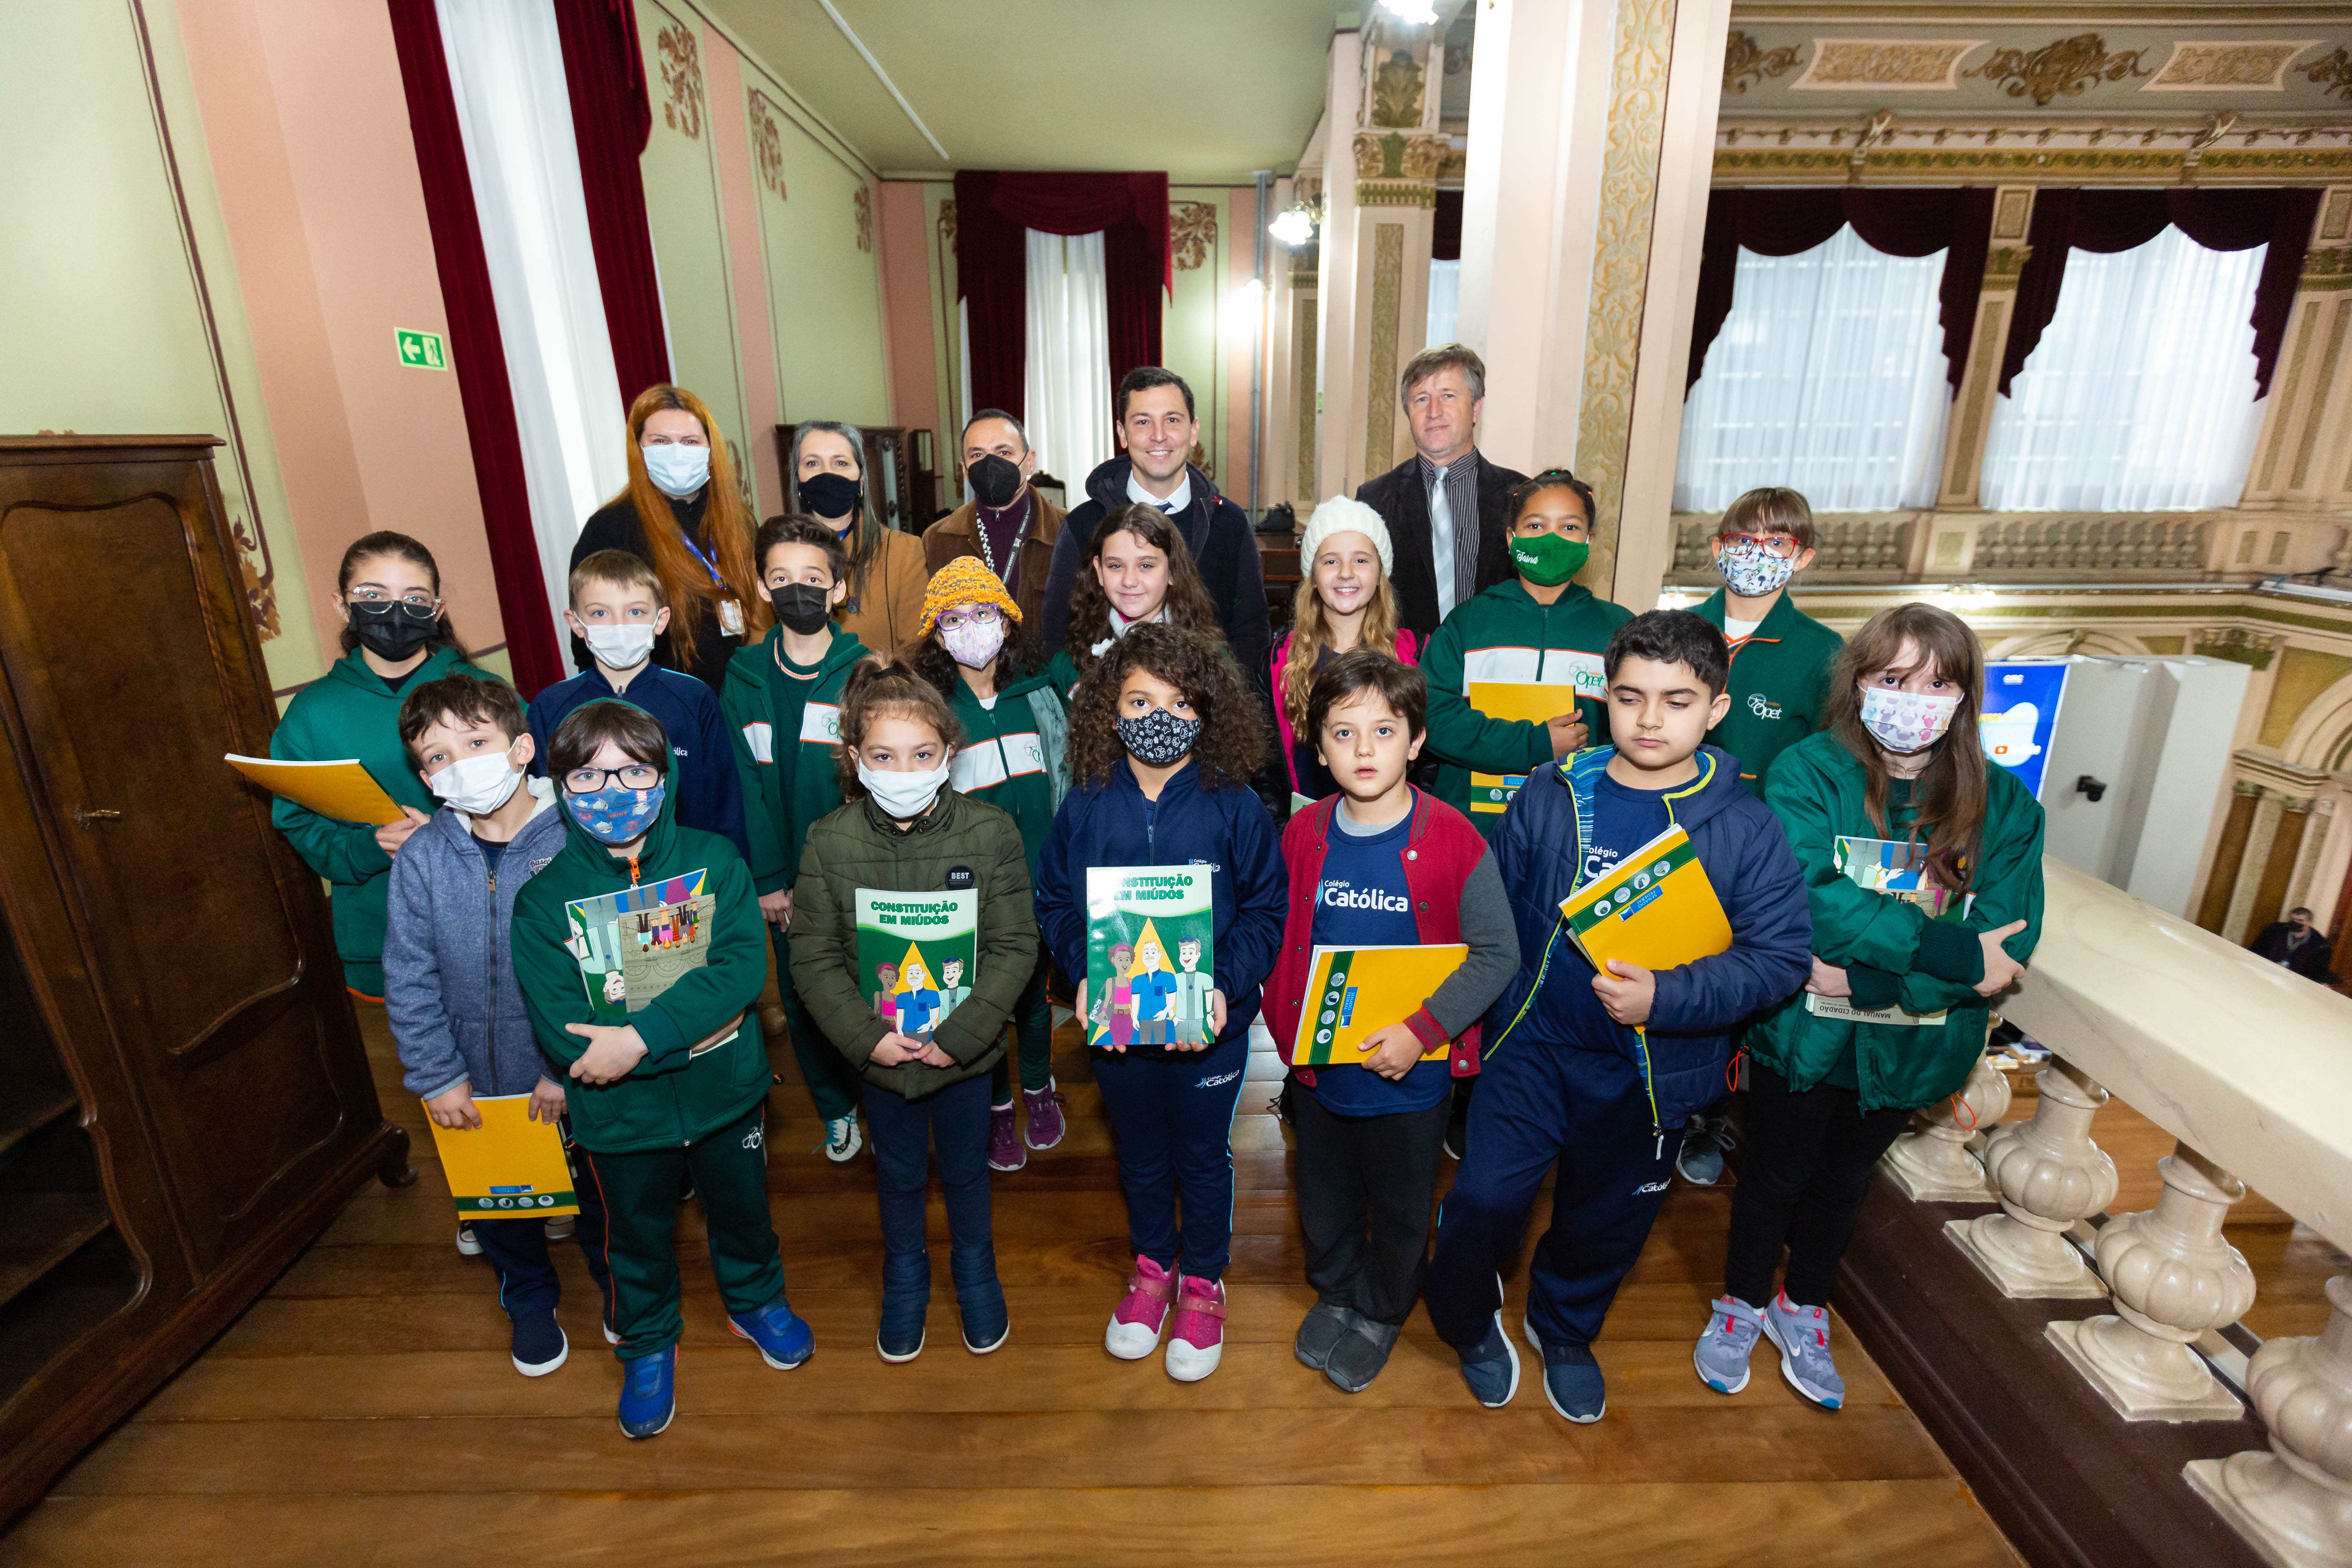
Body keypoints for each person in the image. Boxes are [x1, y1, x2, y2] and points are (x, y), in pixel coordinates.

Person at [1424, 610, 1811, 1425]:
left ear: (1716, 709)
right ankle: (1467, 1320)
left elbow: (1777, 961)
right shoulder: (1553, 791)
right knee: (1485, 1199)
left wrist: (1666, 1000)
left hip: (1650, 1072)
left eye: (1677, 700)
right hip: (1529, 1046)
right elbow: (1491, 913)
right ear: (1607, 699)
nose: (1649, 719)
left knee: (1607, 1219)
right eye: (1631, 697)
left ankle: (1563, 1329)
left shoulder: (1745, 826)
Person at [1695, 604, 2043, 1414]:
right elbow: (1812, 901)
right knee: (1775, 1172)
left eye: (1936, 682)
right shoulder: (1806, 773)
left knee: (1846, 1178)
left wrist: (1864, 980)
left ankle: (1803, 1305)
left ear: (1964, 696)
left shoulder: (2007, 808)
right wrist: (1947, 950)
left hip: (1913, 1044)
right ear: (1859, 683)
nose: (1913, 698)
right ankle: (1743, 1301)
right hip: (1803, 1037)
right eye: (1894, 679)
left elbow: (2003, 949)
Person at [511, 699, 812, 1441]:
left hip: (727, 1097)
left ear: (665, 775)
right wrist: (695, 1033)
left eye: (634, 771)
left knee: (744, 1213)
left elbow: (741, 970)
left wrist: (639, 1040)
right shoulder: (543, 902)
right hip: (618, 1120)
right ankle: (646, 1340)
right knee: (634, 1237)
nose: (614, 791)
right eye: (588, 775)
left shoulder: (717, 861)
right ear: (559, 787)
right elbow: (564, 1028)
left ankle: (756, 1300)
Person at [1262, 650, 1519, 1394]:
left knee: (1404, 1208)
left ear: (1415, 742)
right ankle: (1337, 1288)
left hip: (1412, 1082)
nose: (1364, 750)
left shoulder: (1456, 838)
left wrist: (1422, 1031)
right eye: (1343, 734)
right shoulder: (1303, 834)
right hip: (1320, 1075)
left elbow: (1497, 952)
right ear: (1317, 748)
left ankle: (1380, 1308)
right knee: (1324, 1200)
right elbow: (1280, 939)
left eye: (1384, 730)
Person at [1034, 624, 1285, 1383]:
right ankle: (1153, 1270)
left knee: (1203, 1156)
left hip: (1212, 1026)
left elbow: (1267, 912)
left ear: (1209, 713)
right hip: (1117, 1028)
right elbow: (1054, 901)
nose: (1158, 717)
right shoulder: (1083, 803)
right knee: (1141, 1155)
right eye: (1140, 700)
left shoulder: (1236, 806)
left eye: (1180, 703)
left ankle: (1203, 1281)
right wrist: (1081, 972)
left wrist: (1224, 985)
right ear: (1108, 709)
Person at [789, 658, 1036, 1362]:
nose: (905, 770)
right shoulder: (829, 842)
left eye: (922, 755)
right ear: (855, 760)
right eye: (884, 756)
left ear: (948, 756)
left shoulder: (991, 834)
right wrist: (869, 1040)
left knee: (964, 1170)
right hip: (882, 1061)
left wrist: (962, 1036)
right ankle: (906, 1278)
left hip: (964, 1058)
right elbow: (812, 958)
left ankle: (976, 1269)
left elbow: (1016, 944)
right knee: (897, 1174)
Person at [385, 672, 611, 1377]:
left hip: (572, 1073)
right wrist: (437, 1077)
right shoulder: (422, 860)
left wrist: (561, 1070)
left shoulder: (581, 839)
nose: (460, 764)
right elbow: (409, 974)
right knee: (499, 1204)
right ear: (425, 778)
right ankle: (529, 1296)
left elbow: (603, 969)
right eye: (438, 757)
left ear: (521, 750)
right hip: (472, 1081)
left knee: (601, 1193)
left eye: (476, 742)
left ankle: (619, 1287)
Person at [1676, 486, 1844, 1187]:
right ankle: (1659, 1103)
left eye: (1777, 544)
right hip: (1674, 832)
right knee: (1669, 962)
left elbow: (1831, 765)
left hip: (1759, 854)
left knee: (1734, 981)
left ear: (1801, 557)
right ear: (1719, 548)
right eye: (1745, 540)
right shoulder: (1678, 630)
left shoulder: (1824, 653)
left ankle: (1709, 1116)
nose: (1757, 555)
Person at [269, 531, 496, 1002]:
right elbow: (295, 820)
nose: (394, 612)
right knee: (426, 1070)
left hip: (493, 918)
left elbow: (535, 797)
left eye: (413, 598)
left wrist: (454, 829)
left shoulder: (484, 692)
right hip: (381, 933)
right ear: (341, 605)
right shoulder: (314, 712)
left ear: (435, 610)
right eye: (373, 595)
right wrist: (368, 845)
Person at [907, 557, 1071, 1171]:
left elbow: (1064, 777)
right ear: (936, 632)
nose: (971, 628)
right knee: (980, 1001)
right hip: (970, 890)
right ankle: (998, 1106)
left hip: (1037, 877)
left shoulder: (1038, 693)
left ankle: (1037, 1086)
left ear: (1007, 621)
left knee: (1031, 996)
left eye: (983, 613)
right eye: (954, 618)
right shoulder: (931, 710)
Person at [722, 515, 873, 1162]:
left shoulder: (862, 669)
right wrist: (767, 879)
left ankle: (880, 1092)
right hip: (784, 884)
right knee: (805, 995)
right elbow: (744, 787)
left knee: (867, 985)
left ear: (837, 589)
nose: (798, 591)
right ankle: (835, 1108)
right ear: (761, 586)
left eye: (813, 579)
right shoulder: (745, 675)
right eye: (782, 578)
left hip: (854, 873)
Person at [1422, 469, 1631, 838]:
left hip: (1574, 831)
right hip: (1469, 828)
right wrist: (1536, 744)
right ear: (1511, 537)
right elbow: (1431, 718)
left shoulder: (1620, 630)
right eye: (1536, 526)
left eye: (1569, 528)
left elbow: (1634, 729)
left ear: (1589, 539)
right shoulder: (1467, 623)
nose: (1552, 539)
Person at [1038, 368, 1272, 670]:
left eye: (1172, 420)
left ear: (1194, 431)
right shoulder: (1084, 524)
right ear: (1122, 433)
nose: (1159, 436)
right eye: (1143, 422)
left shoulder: (1229, 523)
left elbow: (1251, 631)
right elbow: (1058, 634)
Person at [530, 549, 747, 861]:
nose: (619, 626)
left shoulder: (693, 697)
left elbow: (725, 797)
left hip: (686, 865)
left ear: (660, 621)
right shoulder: (550, 707)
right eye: (600, 614)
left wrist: (732, 868)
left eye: (635, 612)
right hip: (590, 871)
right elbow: (544, 805)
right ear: (576, 624)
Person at [572, 385, 762, 682]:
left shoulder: (740, 522)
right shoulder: (609, 529)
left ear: (711, 450)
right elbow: (589, 645)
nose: (677, 452)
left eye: (690, 441)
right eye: (661, 441)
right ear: (639, 450)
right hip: (664, 706)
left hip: (743, 697)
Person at [1354, 344, 1530, 641]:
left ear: (1476, 407)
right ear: (1408, 412)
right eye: (1421, 399)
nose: (1434, 412)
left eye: (1448, 396)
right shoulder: (1374, 500)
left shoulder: (1521, 496)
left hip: (1498, 668)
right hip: (1406, 675)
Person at [1271, 497, 1421, 803]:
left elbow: (1427, 761)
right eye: (1330, 561)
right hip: (1308, 824)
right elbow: (1268, 764)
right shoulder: (1280, 660)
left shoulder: (1413, 654)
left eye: (1361, 560)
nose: (1346, 573)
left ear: (1381, 574)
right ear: (1312, 577)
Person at [1047, 503, 1224, 700]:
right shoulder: (1071, 666)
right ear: (1099, 571)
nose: (1129, 581)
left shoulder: (1209, 660)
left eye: (1146, 566)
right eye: (1115, 566)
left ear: (1172, 571)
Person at [788, 420, 929, 653]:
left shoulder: (904, 551)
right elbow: (761, 650)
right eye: (813, 463)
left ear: (861, 480)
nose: (827, 474)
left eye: (841, 463)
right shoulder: (774, 556)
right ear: (799, 480)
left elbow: (917, 651)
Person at [922, 409, 1065, 628]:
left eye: (1004, 453)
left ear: (1030, 461)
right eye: (977, 455)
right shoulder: (937, 540)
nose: (990, 465)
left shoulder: (1069, 531)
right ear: (965, 470)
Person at [2252, 907, 2335, 979]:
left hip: (2295, 981)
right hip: (2266, 971)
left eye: (2300, 920)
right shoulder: (2274, 931)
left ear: (2310, 923)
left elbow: (2316, 973)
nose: (2296, 923)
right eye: (2293, 920)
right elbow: (2256, 951)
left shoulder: (2321, 946)